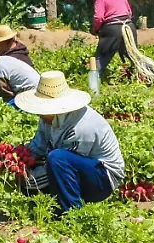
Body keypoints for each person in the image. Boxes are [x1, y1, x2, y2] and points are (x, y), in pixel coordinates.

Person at [15, 71, 125, 213]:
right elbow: (39, 145)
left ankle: (72, 212)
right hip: (77, 165)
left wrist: (29, 180)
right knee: (53, 159)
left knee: (57, 158)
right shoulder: (48, 117)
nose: (38, 114)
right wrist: (19, 160)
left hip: (103, 178)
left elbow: (63, 166)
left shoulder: (82, 127)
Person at [86, 0, 136, 75]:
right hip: (129, 26)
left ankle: (93, 78)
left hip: (113, 28)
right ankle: (146, 73)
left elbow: (98, 17)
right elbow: (129, 13)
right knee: (133, 54)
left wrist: (96, 29)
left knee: (102, 55)